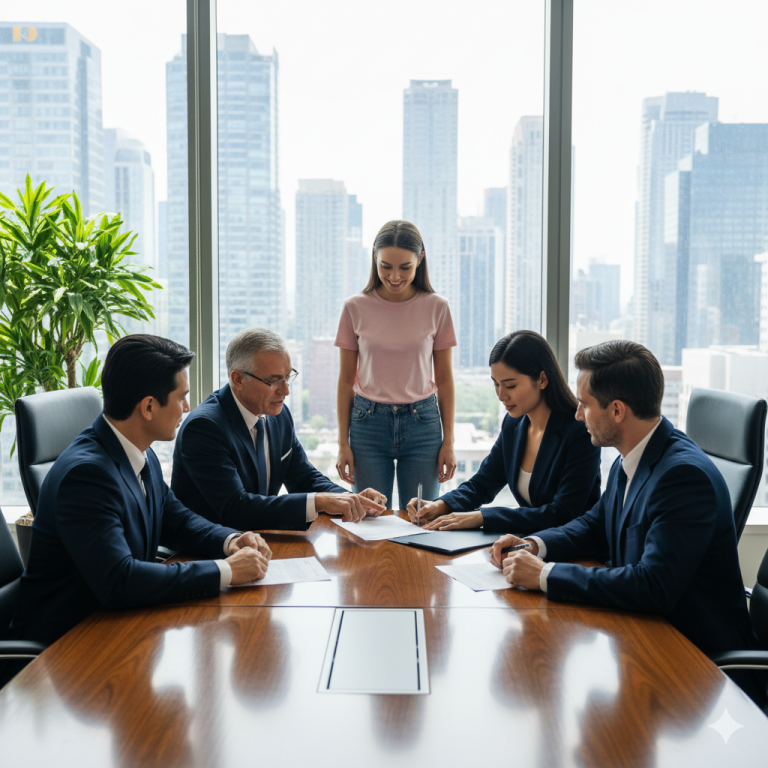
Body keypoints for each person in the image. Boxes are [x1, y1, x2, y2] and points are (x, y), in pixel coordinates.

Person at [490, 340, 761, 701]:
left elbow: (653, 585)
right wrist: (535, 545)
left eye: (585, 404)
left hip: (697, 670)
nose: (577, 415)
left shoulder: (683, 477)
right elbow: (594, 525)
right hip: (646, 636)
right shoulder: (630, 456)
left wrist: (544, 575)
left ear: (617, 410)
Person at [10, 335, 273, 647]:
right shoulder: (86, 476)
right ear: (148, 407)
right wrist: (225, 571)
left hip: (120, 625)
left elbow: (177, 521)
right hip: (67, 647)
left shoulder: (140, 452)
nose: (187, 408)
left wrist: (230, 540)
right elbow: (119, 580)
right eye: (181, 397)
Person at [172, 327, 386, 531]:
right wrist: (320, 502)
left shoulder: (278, 414)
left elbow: (304, 477)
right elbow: (236, 509)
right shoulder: (205, 428)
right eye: (274, 381)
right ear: (238, 379)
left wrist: (351, 500)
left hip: (258, 542)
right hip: (210, 549)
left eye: (287, 377)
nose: (285, 391)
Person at [406, 330, 600, 534]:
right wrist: (440, 505)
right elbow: (483, 483)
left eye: (510, 385)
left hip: (574, 545)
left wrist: (481, 517)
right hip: (530, 541)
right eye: (496, 384)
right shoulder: (513, 424)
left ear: (542, 379)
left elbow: (562, 513)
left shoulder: (580, 431)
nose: (501, 395)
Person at [335, 220, 457, 510]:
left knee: (421, 517)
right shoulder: (354, 307)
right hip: (368, 424)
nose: (394, 276)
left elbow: (445, 379)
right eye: (386, 266)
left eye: (405, 267)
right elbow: (345, 381)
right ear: (374, 257)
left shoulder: (438, 307)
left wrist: (449, 442)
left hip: (423, 424)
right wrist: (342, 444)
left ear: (420, 260)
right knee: (369, 517)